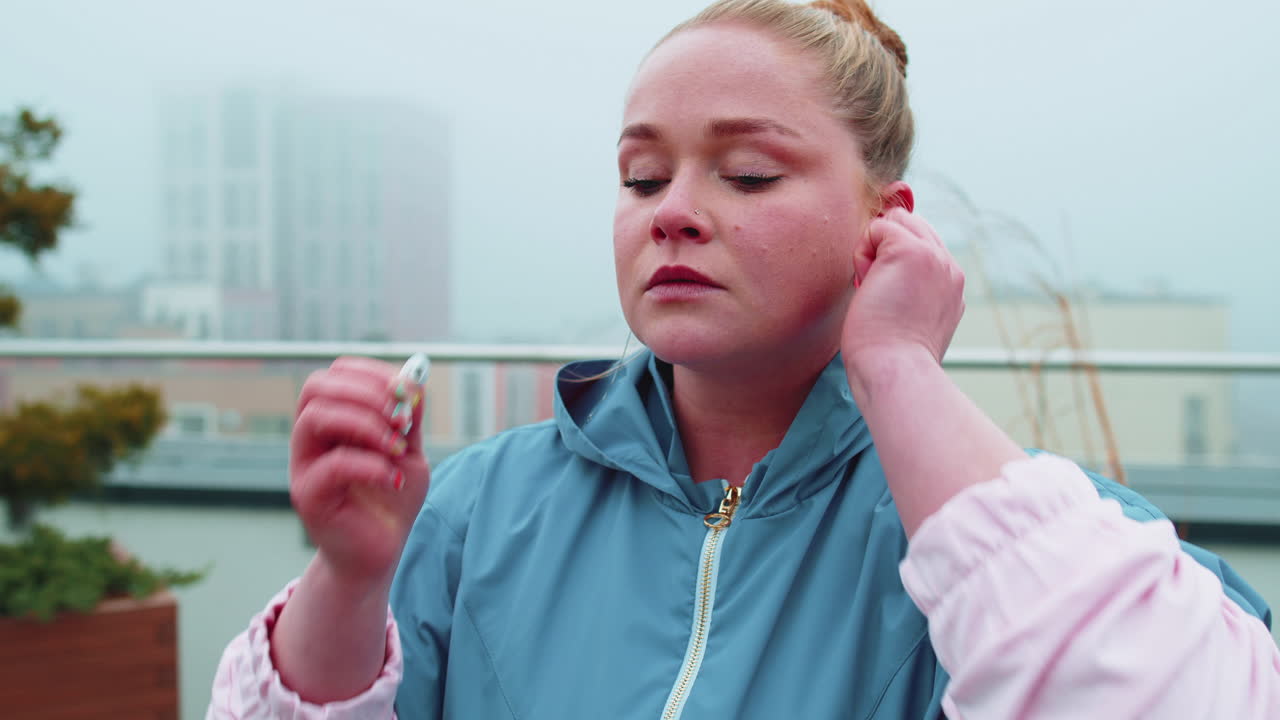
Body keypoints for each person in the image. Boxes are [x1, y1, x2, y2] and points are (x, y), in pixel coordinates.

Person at [208, 0, 1280, 717]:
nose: (672, 213)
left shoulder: (1009, 559)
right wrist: (351, 579)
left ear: (883, 224)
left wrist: (900, 369)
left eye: (748, 175)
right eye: (639, 178)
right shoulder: (473, 508)